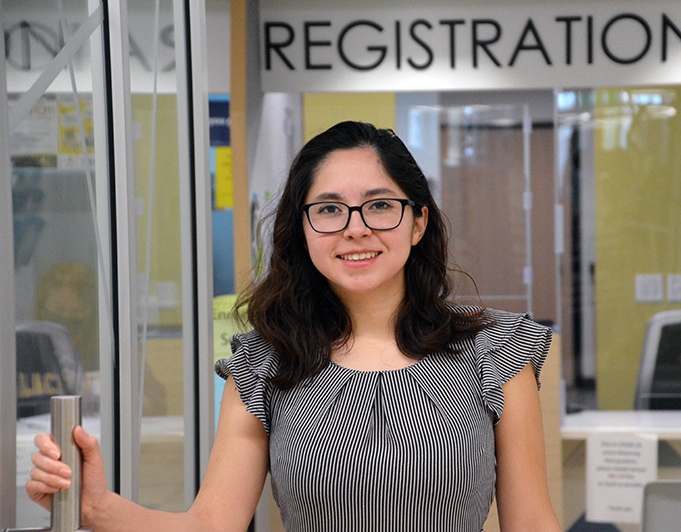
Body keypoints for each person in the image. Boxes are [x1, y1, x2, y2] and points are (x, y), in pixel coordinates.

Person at [26, 121, 561, 531]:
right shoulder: (264, 363)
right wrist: (95, 506)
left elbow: (532, 525)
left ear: (418, 222)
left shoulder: (496, 352)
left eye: (379, 206)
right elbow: (212, 525)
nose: (355, 229)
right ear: (302, 228)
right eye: (329, 209)